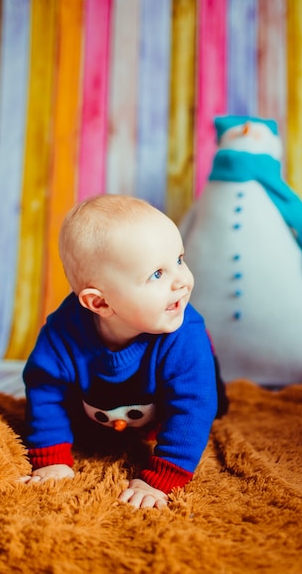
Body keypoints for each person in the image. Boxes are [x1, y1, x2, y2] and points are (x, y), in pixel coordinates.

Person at [21, 194, 227, 509]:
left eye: (179, 260)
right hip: (103, 410)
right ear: (100, 303)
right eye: (157, 274)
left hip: (175, 390)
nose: (182, 281)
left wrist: (162, 477)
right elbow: (45, 392)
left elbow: (193, 408)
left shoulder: (184, 335)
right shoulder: (61, 335)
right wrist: (51, 458)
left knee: (210, 399)